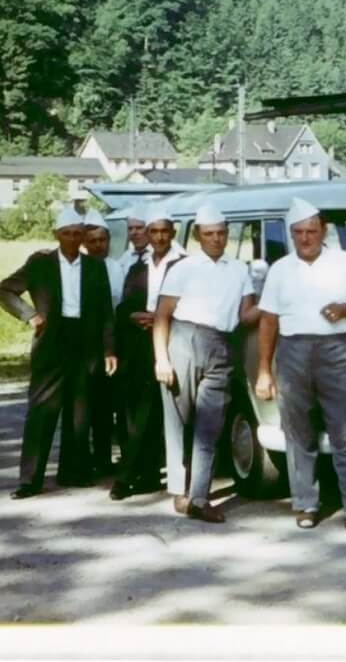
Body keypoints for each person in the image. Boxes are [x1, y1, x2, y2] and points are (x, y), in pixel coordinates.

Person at [255, 198, 346, 536]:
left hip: (337, 350)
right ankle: (306, 504)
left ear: (323, 231)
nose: (305, 238)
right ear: (291, 234)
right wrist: (264, 369)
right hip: (293, 351)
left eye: (311, 231)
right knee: (298, 432)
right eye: (298, 232)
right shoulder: (280, 269)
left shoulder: (344, 262)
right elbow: (268, 321)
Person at [0, 206, 116, 499]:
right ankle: (30, 480)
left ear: (83, 236)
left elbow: (105, 312)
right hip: (51, 342)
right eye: (67, 234)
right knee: (42, 412)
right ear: (56, 235)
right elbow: (4, 290)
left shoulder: (95, 267)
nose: (72, 239)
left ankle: (73, 472)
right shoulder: (40, 264)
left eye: (77, 234)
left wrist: (109, 349)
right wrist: (29, 315)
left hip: (85, 344)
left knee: (79, 412)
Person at [153, 201, 260, 523]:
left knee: (209, 427)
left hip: (221, 346)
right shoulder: (183, 268)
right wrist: (161, 359)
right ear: (198, 236)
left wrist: (273, 302)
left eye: (221, 233)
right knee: (179, 421)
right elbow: (162, 315)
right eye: (210, 234)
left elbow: (246, 315)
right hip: (183, 341)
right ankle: (179, 490)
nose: (216, 239)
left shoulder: (239, 270)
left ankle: (199, 498)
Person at [110, 203, 187, 500]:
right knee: (137, 412)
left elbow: (193, 304)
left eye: (164, 231)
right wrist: (133, 316)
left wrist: (162, 318)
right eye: (153, 231)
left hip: (173, 341)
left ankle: (133, 477)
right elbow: (124, 306)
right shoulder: (137, 267)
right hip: (139, 346)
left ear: (172, 233)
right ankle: (141, 474)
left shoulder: (184, 265)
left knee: (164, 413)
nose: (158, 237)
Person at [82, 209, 125, 475]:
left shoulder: (118, 268)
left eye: (102, 240)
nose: (99, 245)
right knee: (84, 406)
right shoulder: (80, 269)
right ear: (85, 243)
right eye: (93, 241)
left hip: (113, 344)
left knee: (107, 405)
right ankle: (84, 460)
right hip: (86, 346)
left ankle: (104, 458)